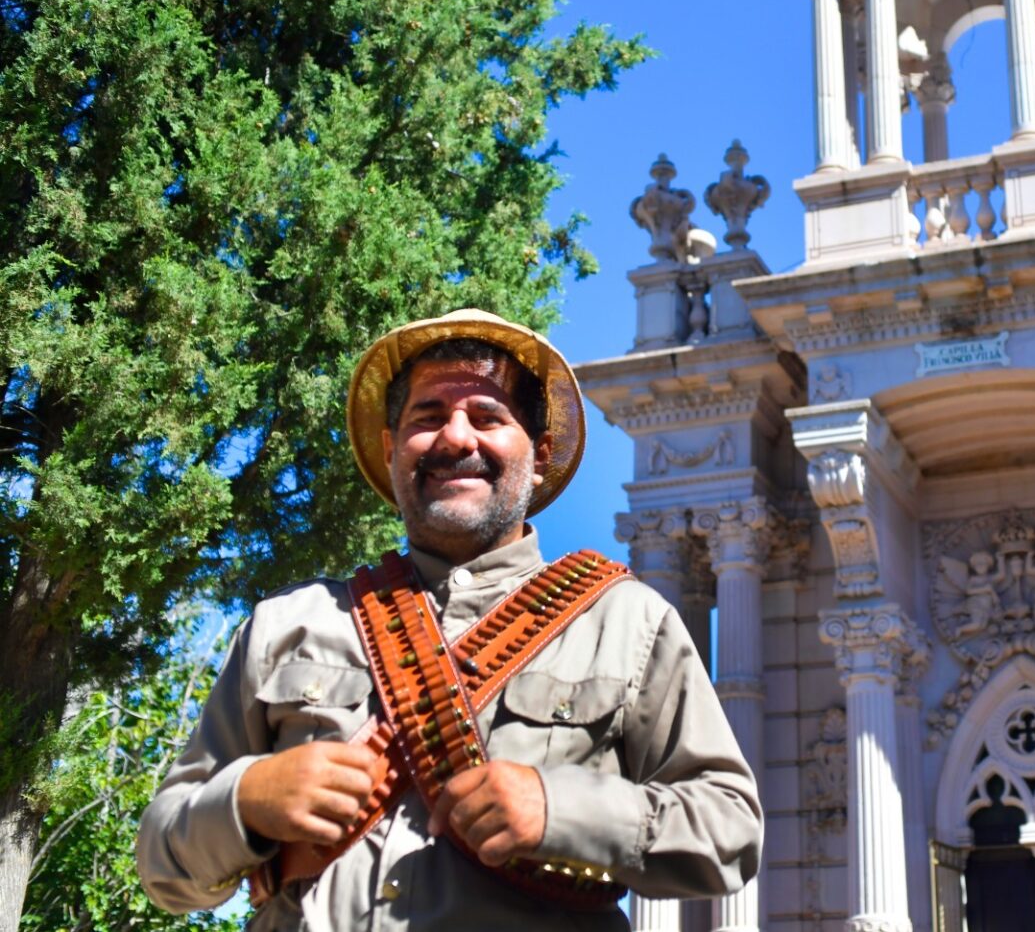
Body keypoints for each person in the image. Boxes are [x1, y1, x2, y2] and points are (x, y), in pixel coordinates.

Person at [137, 309, 763, 931]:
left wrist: (560, 809)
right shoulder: (287, 623)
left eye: (488, 417)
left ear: (540, 452)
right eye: (427, 417)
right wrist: (248, 800)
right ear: (391, 449)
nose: (455, 438)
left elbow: (728, 828)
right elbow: (164, 864)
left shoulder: (626, 621)